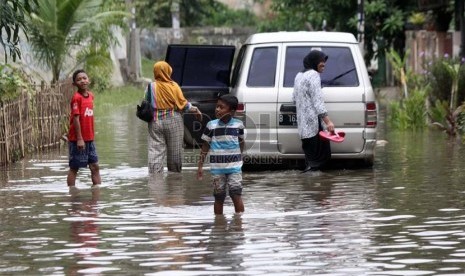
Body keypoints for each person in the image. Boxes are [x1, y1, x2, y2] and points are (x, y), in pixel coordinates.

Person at [146, 61, 202, 173]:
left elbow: (146, 103)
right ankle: (175, 180)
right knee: (175, 153)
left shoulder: (150, 87)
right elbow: (184, 105)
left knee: (155, 152)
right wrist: (195, 109)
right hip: (173, 121)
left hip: (155, 121)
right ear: (168, 71)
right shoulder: (174, 86)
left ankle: (155, 181)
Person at [197, 95, 245, 215]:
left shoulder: (238, 125)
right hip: (217, 169)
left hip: (235, 168)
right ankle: (218, 223)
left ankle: (239, 222)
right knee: (219, 197)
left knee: (236, 194)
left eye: (221, 107)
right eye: (217, 106)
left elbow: (241, 142)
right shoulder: (211, 125)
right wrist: (200, 166)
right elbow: (205, 146)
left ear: (232, 111)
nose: (217, 109)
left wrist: (240, 158)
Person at [293, 50, 335, 173]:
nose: (324, 66)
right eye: (321, 64)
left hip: (303, 127)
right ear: (315, 62)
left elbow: (294, 98)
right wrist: (328, 122)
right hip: (313, 125)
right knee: (320, 160)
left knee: (310, 160)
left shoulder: (299, 75)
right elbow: (317, 102)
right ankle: (317, 189)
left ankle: (310, 189)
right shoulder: (314, 75)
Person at [67, 69, 101, 187]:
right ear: (74, 84)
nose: (82, 81)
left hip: (89, 139)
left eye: (84, 78)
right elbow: (76, 119)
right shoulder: (76, 98)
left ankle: (97, 193)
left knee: (95, 166)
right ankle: (72, 194)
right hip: (78, 139)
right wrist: (79, 139)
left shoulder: (91, 96)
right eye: (79, 79)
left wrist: (91, 135)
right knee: (74, 167)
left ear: (89, 80)